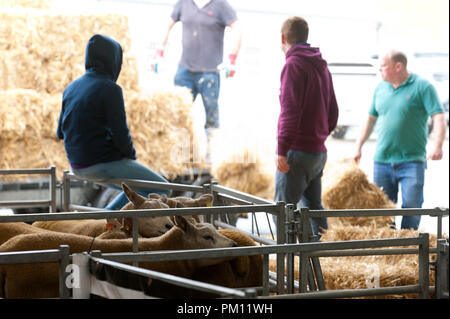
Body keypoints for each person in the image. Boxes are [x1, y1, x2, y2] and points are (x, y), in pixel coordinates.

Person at [57, 34, 170, 210]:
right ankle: (106, 220)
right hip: (102, 163)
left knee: (135, 190)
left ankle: (107, 220)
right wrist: (130, 157)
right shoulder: (111, 89)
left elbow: (60, 133)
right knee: (162, 189)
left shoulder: (70, 88)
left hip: (76, 165)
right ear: (114, 60)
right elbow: (120, 134)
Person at [353, 49, 446, 230]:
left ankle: (408, 245)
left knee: (412, 206)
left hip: (412, 160)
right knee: (382, 209)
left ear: (398, 66)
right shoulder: (380, 88)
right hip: (382, 160)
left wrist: (438, 145)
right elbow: (370, 119)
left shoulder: (422, 86)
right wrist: (358, 146)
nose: (380, 70)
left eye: (383, 67)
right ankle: (387, 248)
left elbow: (438, 117)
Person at [274, 17, 339, 238]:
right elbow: (333, 111)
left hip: (297, 151)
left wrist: (282, 148)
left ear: (283, 38)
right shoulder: (321, 66)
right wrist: (318, 136)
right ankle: (321, 260)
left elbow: (290, 110)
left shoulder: (293, 65)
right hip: (318, 153)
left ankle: (287, 263)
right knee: (313, 209)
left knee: (283, 210)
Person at [154, 0, 242, 161]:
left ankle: (210, 160)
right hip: (184, 71)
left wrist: (232, 59)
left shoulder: (220, 5)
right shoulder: (184, 3)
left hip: (209, 73)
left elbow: (237, 29)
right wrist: (159, 52)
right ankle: (176, 158)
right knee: (177, 116)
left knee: (212, 120)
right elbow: (167, 25)